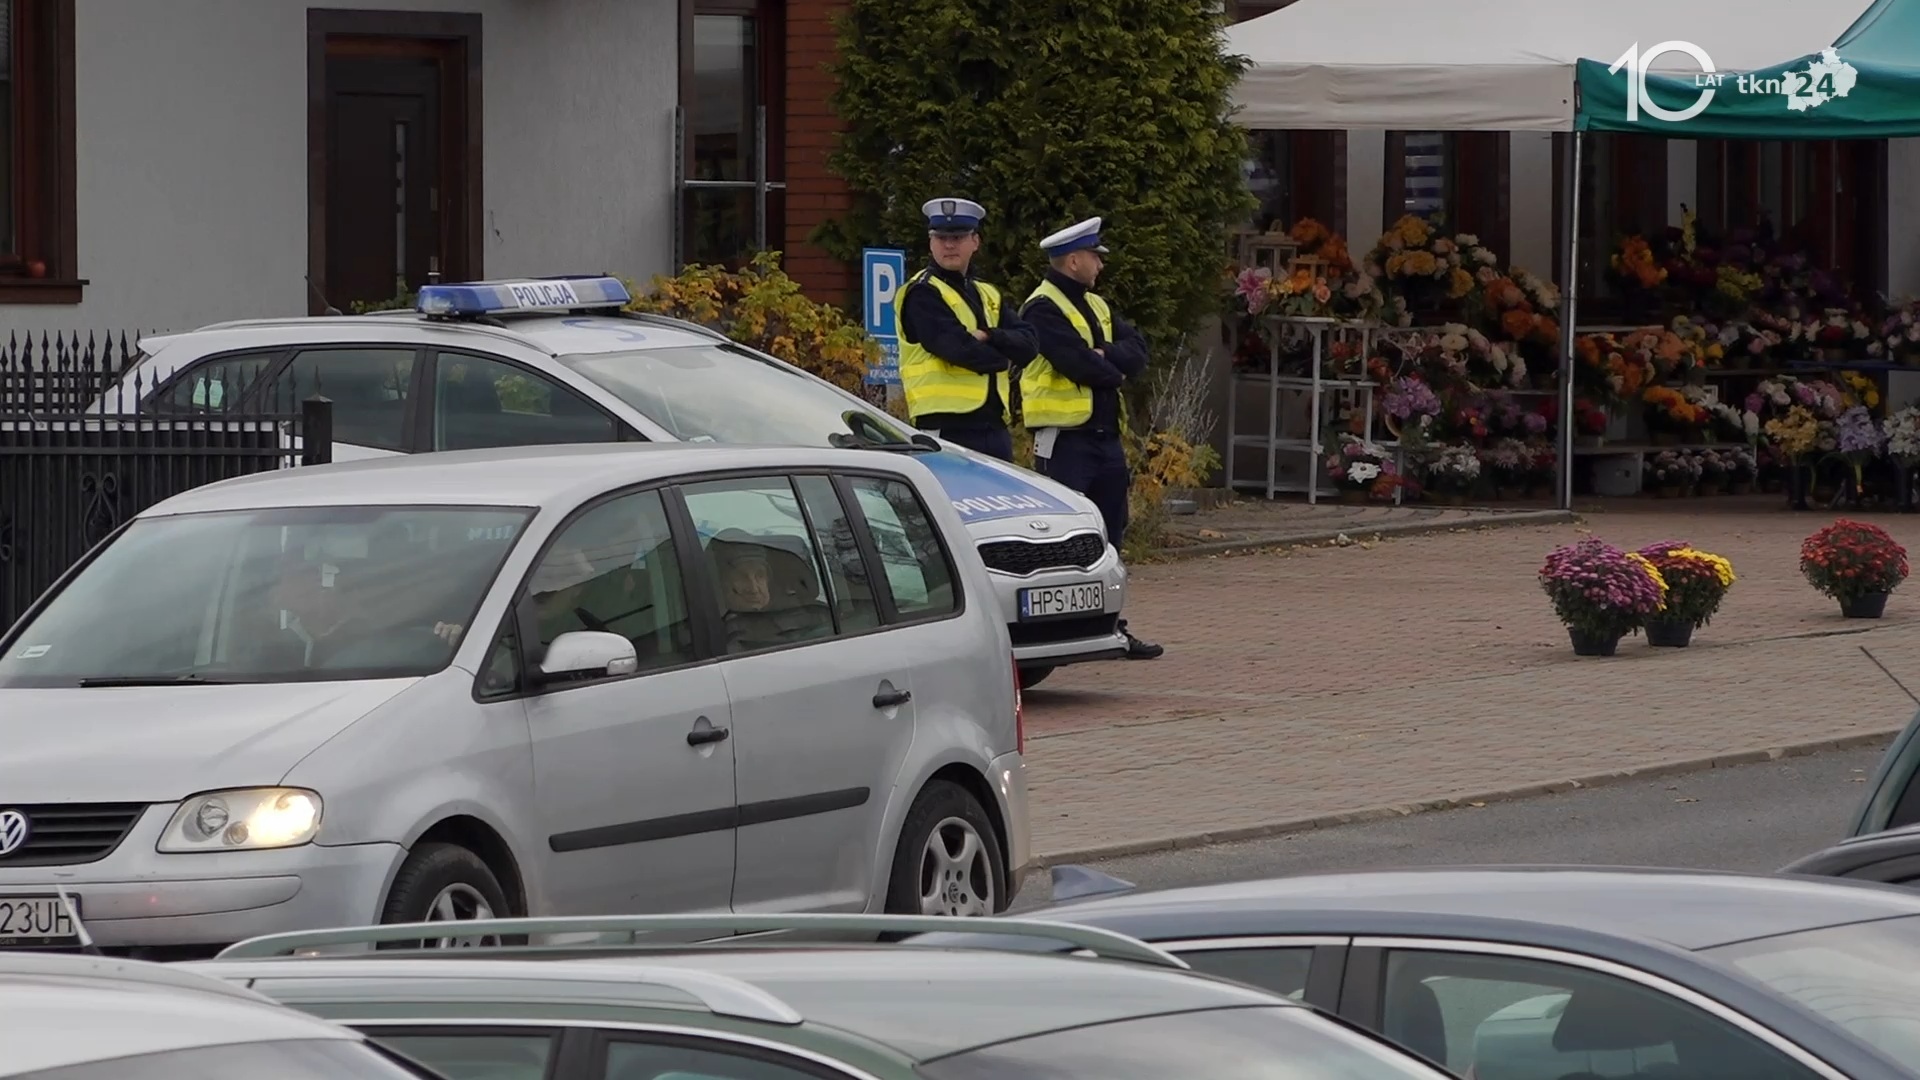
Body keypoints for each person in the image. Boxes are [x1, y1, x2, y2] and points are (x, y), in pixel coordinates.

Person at [1019, 215, 1163, 661]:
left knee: (1111, 532)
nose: (1100, 265)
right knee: (1060, 537)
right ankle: (1057, 631)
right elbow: (1075, 364)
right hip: (1065, 440)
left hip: (1103, 437)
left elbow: (1138, 351)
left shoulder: (1097, 306)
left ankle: (1110, 625)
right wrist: (1110, 365)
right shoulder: (1041, 308)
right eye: (1095, 257)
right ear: (1074, 260)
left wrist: (1109, 357)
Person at [893, 196, 1038, 461]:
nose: (949, 245)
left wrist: (988, 335)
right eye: (941, 237)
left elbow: (1029, 345)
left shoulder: (987, 293)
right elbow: (957, 348)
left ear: (975, 241)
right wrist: (1004, 356)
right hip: (945, 428)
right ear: (930, 242)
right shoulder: (922, 292)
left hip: (994, 426)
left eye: (958, 237)